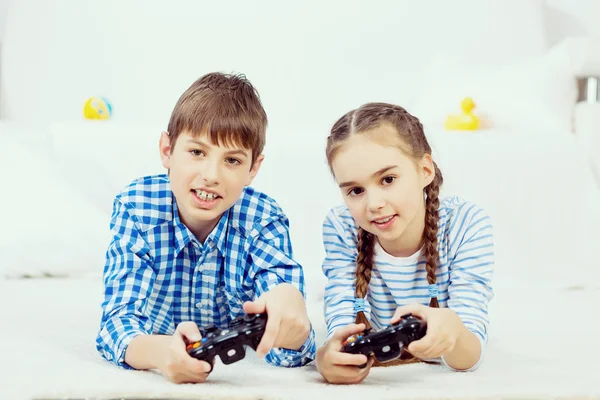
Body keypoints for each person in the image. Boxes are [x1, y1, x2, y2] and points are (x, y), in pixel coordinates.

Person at [96, 72, 316, 383]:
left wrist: (291, 319)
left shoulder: (263, 219)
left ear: (253, 169)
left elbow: (293, 350)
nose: (211, 175)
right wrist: (160, 353)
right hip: (160, 335)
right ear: (167, 151)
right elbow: (117, 326)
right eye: (197, 152)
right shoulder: (136, 208)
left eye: (233, 161)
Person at [315, 102, 494, 384]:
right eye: (355, 190)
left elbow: (469, 356)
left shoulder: (466, 224)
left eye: (388, 179)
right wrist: (328, 357)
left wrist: (454, 332)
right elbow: (341, 326)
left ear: (425, 170)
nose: (374, 204)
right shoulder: (341, 226)